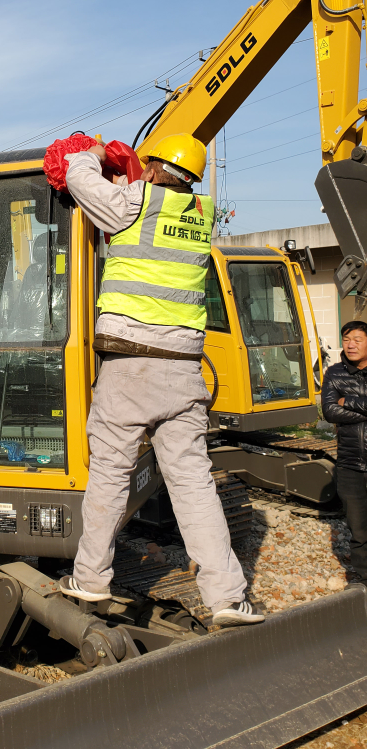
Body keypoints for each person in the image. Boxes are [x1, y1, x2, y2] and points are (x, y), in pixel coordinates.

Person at [58, 132, 264, 627]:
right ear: (191, 177)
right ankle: (228, 598)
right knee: (193, 483)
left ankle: (89, 579)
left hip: (131, 366)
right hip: (184, 369)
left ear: (151, 170)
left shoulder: (137, 201)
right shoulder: (202, 216)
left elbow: (77, 179)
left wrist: (95, 153)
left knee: (109, 473)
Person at [322, 320, 367, 584]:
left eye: (357, 339)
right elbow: (329, 411)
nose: (350, 345)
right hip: (350, 463)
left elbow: (339, 407)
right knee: (359, 528)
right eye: (347, 339)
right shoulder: (335, 373)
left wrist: (347, 401)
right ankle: (364, 578)